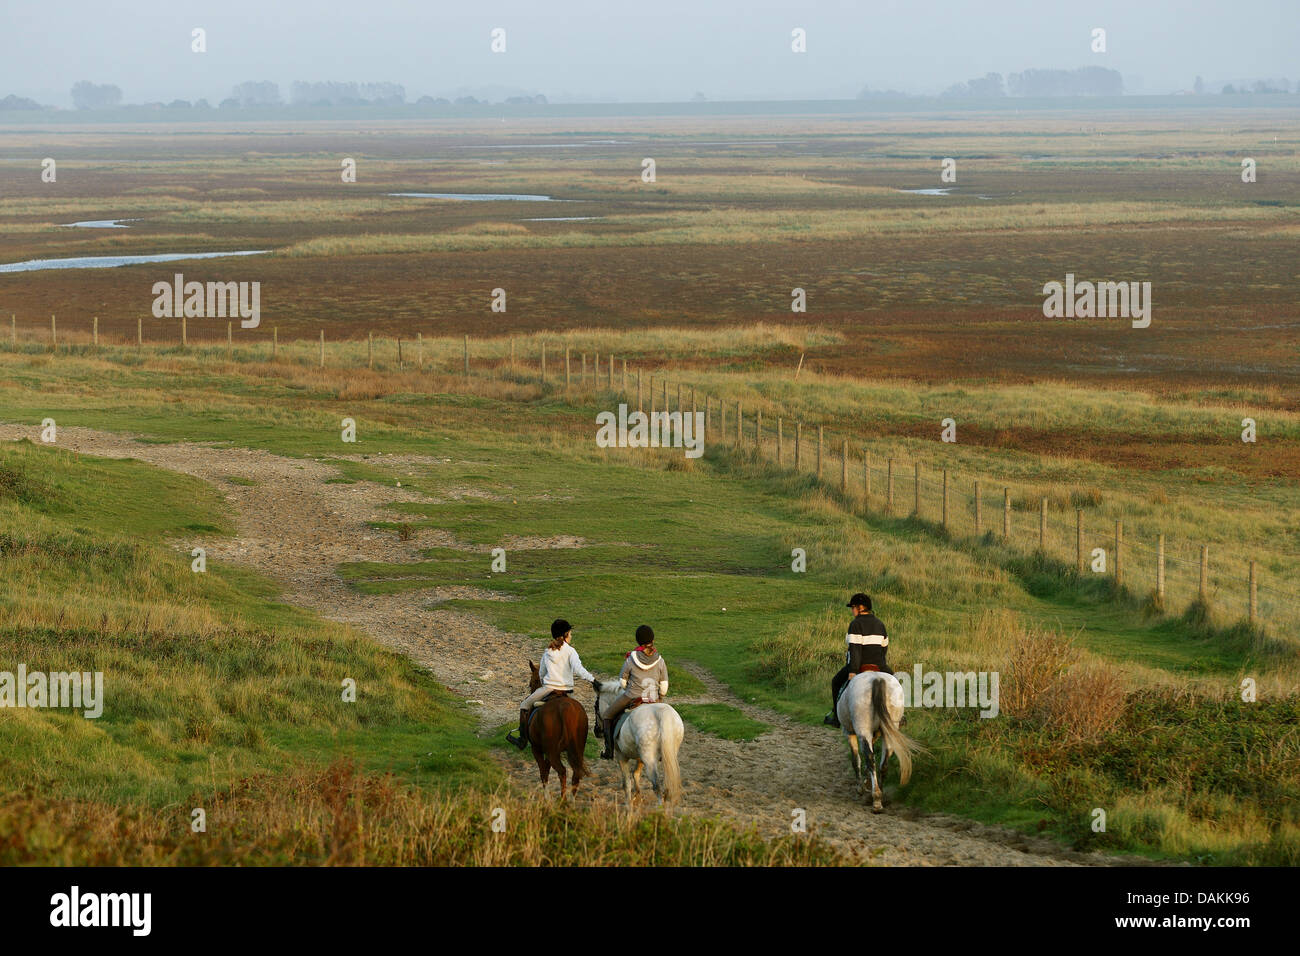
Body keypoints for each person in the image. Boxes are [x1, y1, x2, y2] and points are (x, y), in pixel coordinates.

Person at [507, 618, 594, 749]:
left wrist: (545, 683)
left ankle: (522, 739)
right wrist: (593, 680)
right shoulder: (571, 651)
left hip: (548, 689)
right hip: (567, 691)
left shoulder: (548, 652)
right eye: (570, 633)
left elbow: (541, 673)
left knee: (524, 705)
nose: (571, 635)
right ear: (565, 635)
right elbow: (579, 670)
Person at [598, 624, 668, 759]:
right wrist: (659, 697)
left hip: (632, 697)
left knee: (607, 716)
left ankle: (608, 751)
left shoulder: (631, 658)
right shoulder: (660, 660)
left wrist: (630, 687)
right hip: (653, 699)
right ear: (652, 639)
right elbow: (664, 688)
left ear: (638, 640)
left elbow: (622, 683)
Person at [824, 593, 892, 728]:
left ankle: (837, 718)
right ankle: (900, 716)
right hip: (879, 666)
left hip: (859, 666)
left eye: (853, 607)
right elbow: (884, 648)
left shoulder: (855, 624)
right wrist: (880, 664)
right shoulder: (880, 624)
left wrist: (853, 671)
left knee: (836, 682)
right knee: (895, 682)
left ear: (861, 608)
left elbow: (855, 650)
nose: (852, 610)